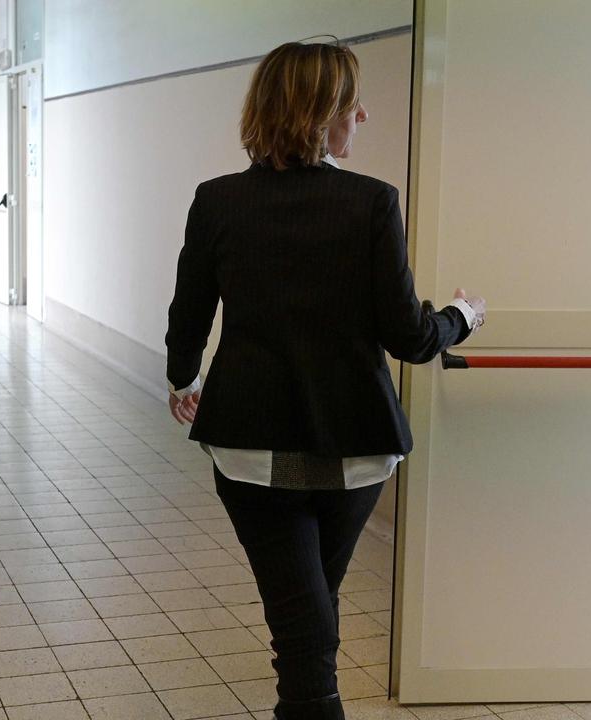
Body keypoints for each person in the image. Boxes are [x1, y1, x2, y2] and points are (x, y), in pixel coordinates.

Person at [164, 40, 486, 720]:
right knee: (311, 612)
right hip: (357, 446)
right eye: (351, 104)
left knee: (304, 614)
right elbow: (410, 336)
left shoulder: (218, 202)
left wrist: (182, 377)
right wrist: (462, 315)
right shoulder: (371, 204)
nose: (362, 116)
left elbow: (188, 314)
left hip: (250, 447)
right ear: (318, 114)